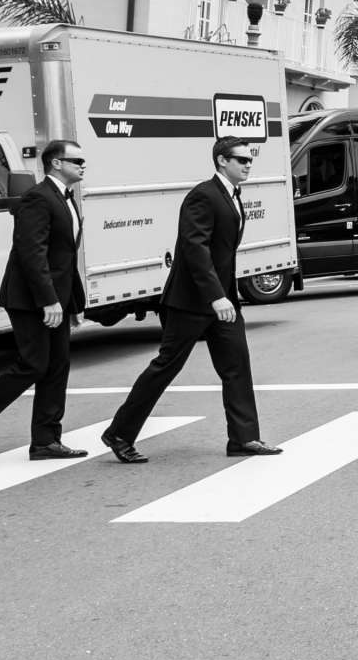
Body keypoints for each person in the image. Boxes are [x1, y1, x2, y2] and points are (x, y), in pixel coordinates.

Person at [103, 138, 280, 462]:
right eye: (241, 159)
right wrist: (215, 296)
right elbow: (194, 249)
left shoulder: (232, 196)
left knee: (237, 366)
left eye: (250, 159)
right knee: (166, 367)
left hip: (223, 302)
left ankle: (244, 438)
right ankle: (119, 432)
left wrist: (226, 296)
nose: (248, 164)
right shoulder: (203, 195)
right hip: (191, 302)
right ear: (222, 161)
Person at [0, 139, 88, 461]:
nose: (83, 165)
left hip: (57, 297)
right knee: (34, 363)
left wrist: (68, 301)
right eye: (77, 160)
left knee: (57, 367)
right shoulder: (37, 198)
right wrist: (48, 300)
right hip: (31, 299)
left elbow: (63, 255)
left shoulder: (65, 198)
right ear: (56, 163)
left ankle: (45, 441)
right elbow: (32, 253)